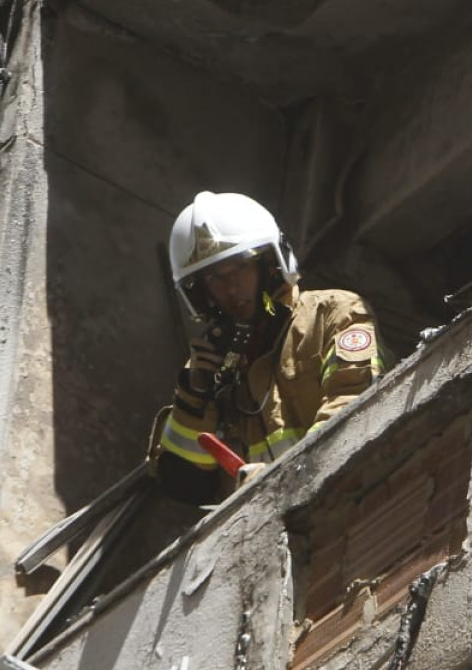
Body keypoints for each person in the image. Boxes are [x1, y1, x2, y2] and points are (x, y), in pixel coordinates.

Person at [155, 191, 385, 505]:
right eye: (215, 279)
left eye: (241, 268)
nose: (231, 289)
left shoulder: (333, 314)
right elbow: (183, 485)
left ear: (270, 265)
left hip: (353, 502)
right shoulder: (207, 370)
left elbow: (356, 411)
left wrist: (283, 481)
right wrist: (196, 396)